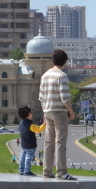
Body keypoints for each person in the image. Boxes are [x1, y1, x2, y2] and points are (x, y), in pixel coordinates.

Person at [39, 49, 77, 180]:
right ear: (65, 62)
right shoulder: (62, 76)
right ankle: (61, 172)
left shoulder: (45, 75)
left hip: (47, 111)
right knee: (60, 142)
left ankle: (47, 171)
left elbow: (41, 97)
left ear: (53, 61)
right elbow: (65, 97)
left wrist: (45, 111)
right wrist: (70, 111)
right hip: (60, 112)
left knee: (48, 142)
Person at [17, 106, 46, 176]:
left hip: (24, 144)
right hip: (30, 145)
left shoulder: (21, 123)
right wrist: (44, 124)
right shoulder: (30, 125)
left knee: (22, 157)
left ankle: (21, 169)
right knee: (28, 158)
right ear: (29, 113)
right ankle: (27, 171)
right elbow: (38, 130)